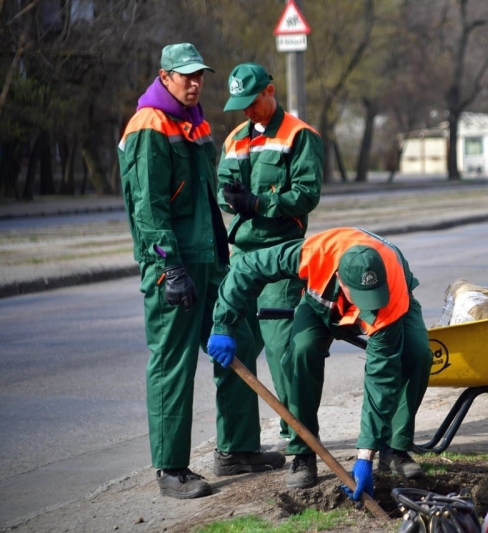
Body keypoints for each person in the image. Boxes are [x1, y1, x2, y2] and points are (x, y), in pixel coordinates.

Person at [117, 43, 285, 500]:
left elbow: (202, 197)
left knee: (239, 341)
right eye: (185, 76)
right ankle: (171, 470)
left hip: (209, 260)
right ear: (164, 76)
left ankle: (237, 448)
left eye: (199, 76)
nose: (195, 83)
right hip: (172, 265)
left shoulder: (192, 121)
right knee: (174, 362)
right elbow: (148, 208)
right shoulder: (150, 125)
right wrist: (170, 267)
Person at [207, 227, 432, 500]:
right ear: (340, 278)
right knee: (301, 352)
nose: (366, 307)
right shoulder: (312, 253)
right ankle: (303, 450)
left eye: (370, 297)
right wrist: (223, 325)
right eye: (359, 296)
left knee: (418, 354)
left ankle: (393, 448)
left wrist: (365, 455)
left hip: (395, 302)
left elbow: (380, 376)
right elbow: (247, 269)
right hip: (320, 306)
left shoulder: (389, 293)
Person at [216, 62, 323, 450]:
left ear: (270, 91)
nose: (247, 110)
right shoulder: (235, 140)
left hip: (281, 257)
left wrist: (260, 202)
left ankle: (301, 446)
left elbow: (307, 194)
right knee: (235, 350)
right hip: (242, 258)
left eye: (253, 101)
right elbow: (222, 188)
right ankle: (238, 448)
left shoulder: (299, 137)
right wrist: (231, 197)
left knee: (281, 352)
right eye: (240, 104)